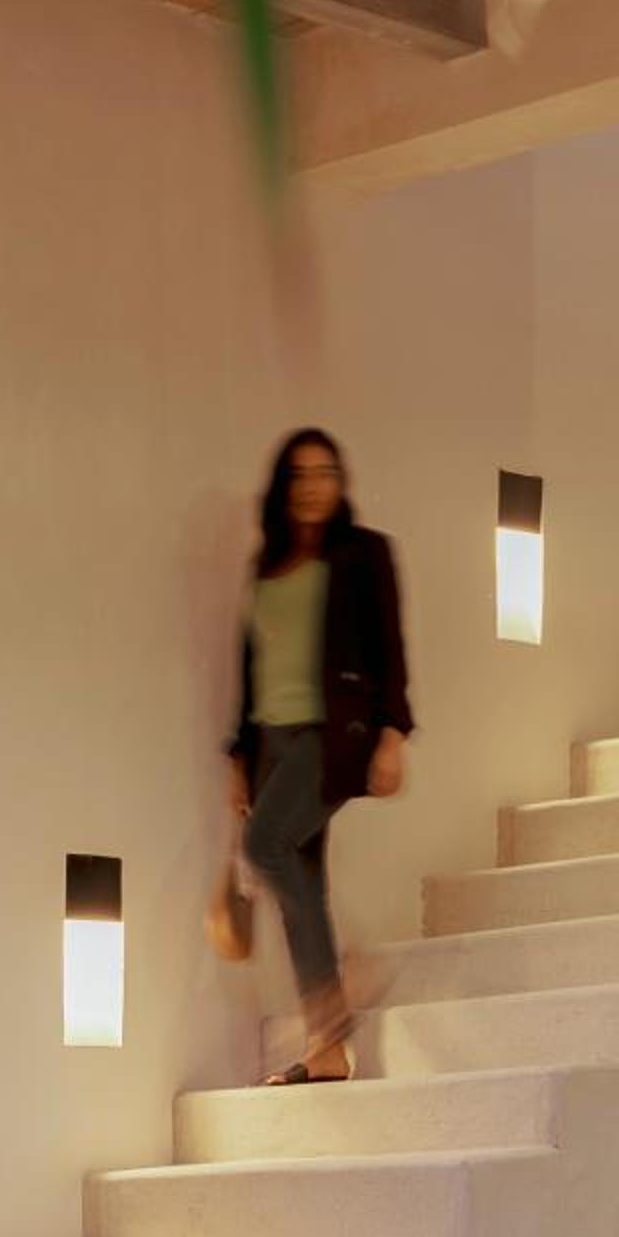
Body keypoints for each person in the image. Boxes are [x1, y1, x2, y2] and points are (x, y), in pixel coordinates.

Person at [227, 429, 411, 1082]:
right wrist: (238, 759)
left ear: (341, 482)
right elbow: (251, 668)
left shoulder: (363, 554)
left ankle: (346, 980)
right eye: (299, 474)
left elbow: (389, 647)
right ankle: (327, 1048)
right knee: (301, 889)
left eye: (324, 472)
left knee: (264, 845)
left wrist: (393, 733)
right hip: (271, 743)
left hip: (331, 736)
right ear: (283, 487)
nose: (312, 486)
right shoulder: (266, 566)